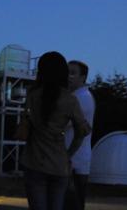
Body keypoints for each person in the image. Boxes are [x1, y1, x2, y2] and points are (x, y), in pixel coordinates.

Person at [20, 51, 90, 210]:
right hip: (59, 164)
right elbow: (82, 132)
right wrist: (69, 153)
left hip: (34, 161)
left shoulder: (33, 94)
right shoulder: (70, 99)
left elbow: (26, 122)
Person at [64, 60, 95, 210]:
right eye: (67, 72)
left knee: (72, 204)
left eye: (73, 73)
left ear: (83, 77)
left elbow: (61, 123)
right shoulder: (79, 96)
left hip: (74, 160)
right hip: (76, 160)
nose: (68, 76)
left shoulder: (81, 98)